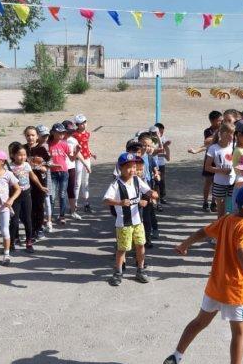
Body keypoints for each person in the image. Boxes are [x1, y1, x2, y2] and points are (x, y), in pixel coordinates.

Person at [164, 185, 243, 364]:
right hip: (235, 289)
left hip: (215, 285)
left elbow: (202, 232)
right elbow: (242, 252)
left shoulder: (226, 220)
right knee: (239, 332)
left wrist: (185, 244)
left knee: (198, 323)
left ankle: (175, 358)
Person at [104, 152, 154, 286]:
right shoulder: (116, 184)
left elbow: (147, 191)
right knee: (122, 248)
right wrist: (119, 203)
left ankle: (140, 270)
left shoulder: (138, 180)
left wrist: (150, 196)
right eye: (128, 167)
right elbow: (106, 200)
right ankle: (118, 272)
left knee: (141, 245)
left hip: (138, 221)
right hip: (123, 223)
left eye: (134, 166)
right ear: (120, 168)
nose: (132, 170)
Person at [9, 142, 47, 252]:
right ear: (13, 155)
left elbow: (33, 176)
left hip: (26, 195)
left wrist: (40, 186)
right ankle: (11, 243)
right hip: (14, 196)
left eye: (24, 155)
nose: (22, 157)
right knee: (14, 220)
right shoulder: (10, 168)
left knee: (28, 220)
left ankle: (29, 242)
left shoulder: (26, 165)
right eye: (20, 155)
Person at [0, 149, 20, 266]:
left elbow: (18, 189)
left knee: (5, 231)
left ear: (2, 161)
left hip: (4, 208)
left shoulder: (8, 174)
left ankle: (6, 254)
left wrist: (11, 200)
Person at [188, 110, 223, 213]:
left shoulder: (224, 130)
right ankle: (205, 202)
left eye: (222, 120)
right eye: (219, 121)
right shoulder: (208, 131)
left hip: (219, 159)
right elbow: (207, 143)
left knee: (216, 182)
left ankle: (214, 202)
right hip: (210, 158)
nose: (221, 122)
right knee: (208, 182)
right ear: (213, 121)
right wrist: (196, 151)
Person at [205, 122, 235, 219]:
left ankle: (228, 231)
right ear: (222, 134)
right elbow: (207, 167)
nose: (232, 136)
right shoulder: (213, 148)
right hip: (219, 183)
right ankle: (221, 232)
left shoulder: (234, 147)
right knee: (221, 212)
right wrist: (222, 171)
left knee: (231, 210)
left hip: (232, 183)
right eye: (229, 133)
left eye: (233, 133)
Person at [25, 126, 50, 238]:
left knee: (39, 206)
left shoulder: (42, 149)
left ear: (37, 136)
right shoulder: (22, 148)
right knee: (28, 207)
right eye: (28, 135)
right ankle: (31, 229)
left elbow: (47, 165)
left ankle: (39, 228)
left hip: (40, 182)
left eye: (33, 135)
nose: (30, 137)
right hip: (25, 182)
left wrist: (41, 167)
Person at [47, 123, 71, 226]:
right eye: (59, 132)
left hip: (64, 172)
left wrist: (77, 151)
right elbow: (46, 160)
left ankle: (62, 216)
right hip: (52, 173)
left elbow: (71, 158)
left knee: (62, 195)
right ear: (52, 133)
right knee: (52, 196)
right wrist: (52, 165)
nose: (61, 134)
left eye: (63, 132)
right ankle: (49, 217)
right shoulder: (48, 144)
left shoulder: (64, 143)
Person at [72, 114, 96, 214]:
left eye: (84, 122)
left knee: (85, 182)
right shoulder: (74, 135)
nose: (83, 125)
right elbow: (75, 148)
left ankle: (86, 204)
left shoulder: (87, 134)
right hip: (78, 159)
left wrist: (91, 153)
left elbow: (86, 146)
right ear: (77, 125)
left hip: (87, 158)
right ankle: (75, 205)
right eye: (81, 124)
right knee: (77, 182)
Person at [63, 120, 83, 220]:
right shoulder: (57, 141)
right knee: (60, 191)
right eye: (68, 131)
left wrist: (78, 151)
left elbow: (74, 157)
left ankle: (73, 211)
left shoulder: (73, 140)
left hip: (71, 167)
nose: (70, 134)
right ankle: (61, 214)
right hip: (59, 168)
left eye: (71, 132)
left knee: (71, 189)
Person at [153, 123, 171, 204]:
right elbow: (153, 152)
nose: (161, 134)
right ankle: (156, 198)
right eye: (159, 132)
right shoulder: (152, 140)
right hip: (154, 164)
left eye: (162, 132)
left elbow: (167, 155)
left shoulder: (163, 138)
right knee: (155, 182)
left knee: (162, 181)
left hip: (161, 164)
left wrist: (166, 147)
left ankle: (162, 197)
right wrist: (163, 150)